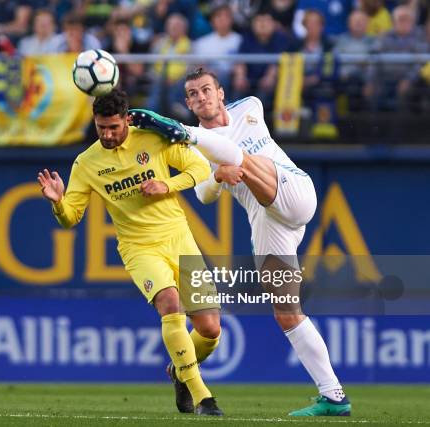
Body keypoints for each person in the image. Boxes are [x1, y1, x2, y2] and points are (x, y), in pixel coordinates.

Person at [129, 68, 352, 417]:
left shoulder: (250, 106)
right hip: (267, 220)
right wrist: (218, 175)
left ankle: (180, 128)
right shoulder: (198, 150)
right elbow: (203, 194)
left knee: (242, 159)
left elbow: (232, 151)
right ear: (188, 102)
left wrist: (211, 153)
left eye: (206, 90)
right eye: (193, 94)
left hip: (295, 190)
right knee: (287, 313)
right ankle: (334, 396)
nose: (201, 97)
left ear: (221, 93)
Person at [38, 89, 224, 416]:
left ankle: (179, 370)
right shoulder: (86, 163)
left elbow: (200, 169)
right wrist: (58, 204)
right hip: (139, 248)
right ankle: (203, 398)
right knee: (170, 303)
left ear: (127, 119)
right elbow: (71, 219)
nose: (107, 134)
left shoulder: (153, 139)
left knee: (210, 330)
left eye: (113, 127)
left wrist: (168, 185)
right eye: (101, 128)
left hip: (179, 238)